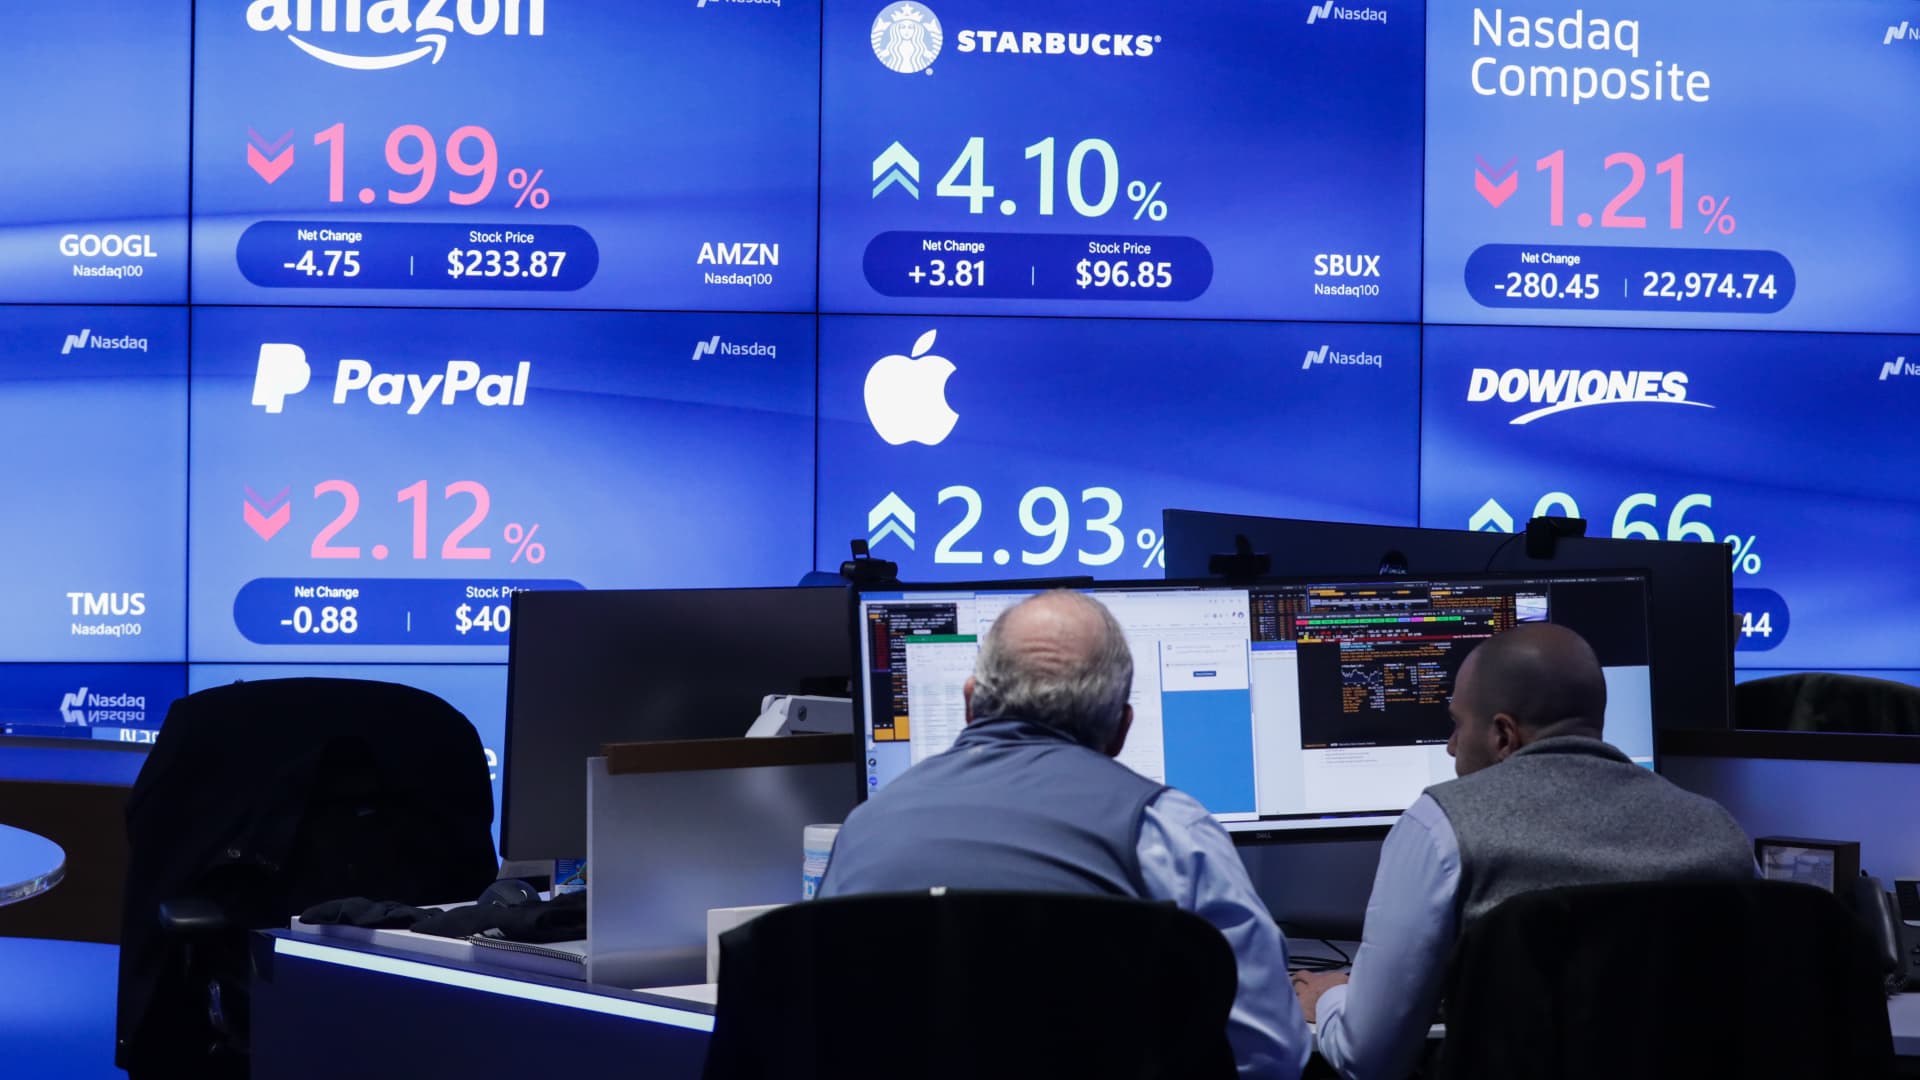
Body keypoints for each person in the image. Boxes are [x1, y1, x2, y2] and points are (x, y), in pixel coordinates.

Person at [820, 589, 1313, 1079]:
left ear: (970, 702)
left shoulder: (864, 830)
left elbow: (812, 1021)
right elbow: (1271, 1055)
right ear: (1121, 729)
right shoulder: (1168, 831)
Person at [1292, 623, 1755, 1080]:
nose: (1451, 747)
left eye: (1457, 725)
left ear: (1502, 735)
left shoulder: (1442, 825)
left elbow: (1369, 1059)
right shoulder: (1719, 831)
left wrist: (1329, 998)